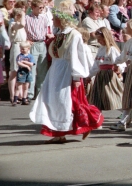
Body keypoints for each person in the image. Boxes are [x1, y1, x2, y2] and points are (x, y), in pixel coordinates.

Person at [29, 8, 104, 143]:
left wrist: (76, 76)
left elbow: (77, 56)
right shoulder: (60, 33)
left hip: (67, 71)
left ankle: (87, 124)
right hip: (56, 70)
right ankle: (59, 134)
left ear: (61, 20)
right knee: (55, 101)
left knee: (70, 102)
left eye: (55, 18)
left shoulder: (74, 35)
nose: (52, 20)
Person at [87, 27, 125, 112]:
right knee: (97, 98)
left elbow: (120, 62)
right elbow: (96, 65)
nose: (98, 41)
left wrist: (118, 70)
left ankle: (125, 114)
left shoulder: (112, 49)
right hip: (100, 76)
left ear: (105, 38)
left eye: (99, 39)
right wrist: (89, 76)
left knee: (112, 97)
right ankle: (97, 119)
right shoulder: (100, 49)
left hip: (109, 76)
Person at [24, 0, 54, 101]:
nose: (41, 9)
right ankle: (30, 93)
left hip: (42, 43)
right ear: (33, 8)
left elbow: (46, 32)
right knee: (32, 69)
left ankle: (40, 92)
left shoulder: (44, 18)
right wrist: (27, 40)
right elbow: (24, 30)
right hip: (33, 43)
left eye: (43, 7)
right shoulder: (27, 18)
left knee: (42, 69)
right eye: (39, 8)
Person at [14, 41, 35, 106]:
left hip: (28, 73)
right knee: (18, 87)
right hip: (21, 72)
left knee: (26, 87)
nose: (22, 50)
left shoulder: (30, 56)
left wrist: (24, 62)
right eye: (21, 49)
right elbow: (19, 63)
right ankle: (15, 100)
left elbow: (32, 63)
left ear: (28, 48)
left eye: (23, 49)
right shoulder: (19, 56)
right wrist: (26, 66)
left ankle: (24, 99)